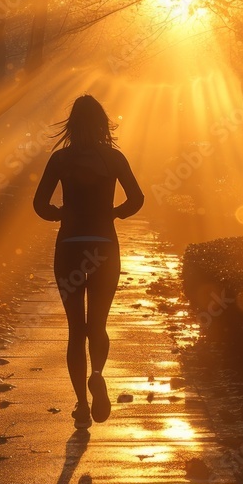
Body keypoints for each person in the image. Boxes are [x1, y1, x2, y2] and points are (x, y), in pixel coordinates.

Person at [33, 95, 144, 429]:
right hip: (104, 247)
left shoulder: (60, 159)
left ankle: (81, 404)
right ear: (102, 123)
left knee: (75, 330)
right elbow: (137, 198)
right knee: (98, 325)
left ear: (71, 123)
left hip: (69, 247)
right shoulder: (114, 158)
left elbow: (39, 204)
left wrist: (58, 215)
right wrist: (114, 213)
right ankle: (97, 375)